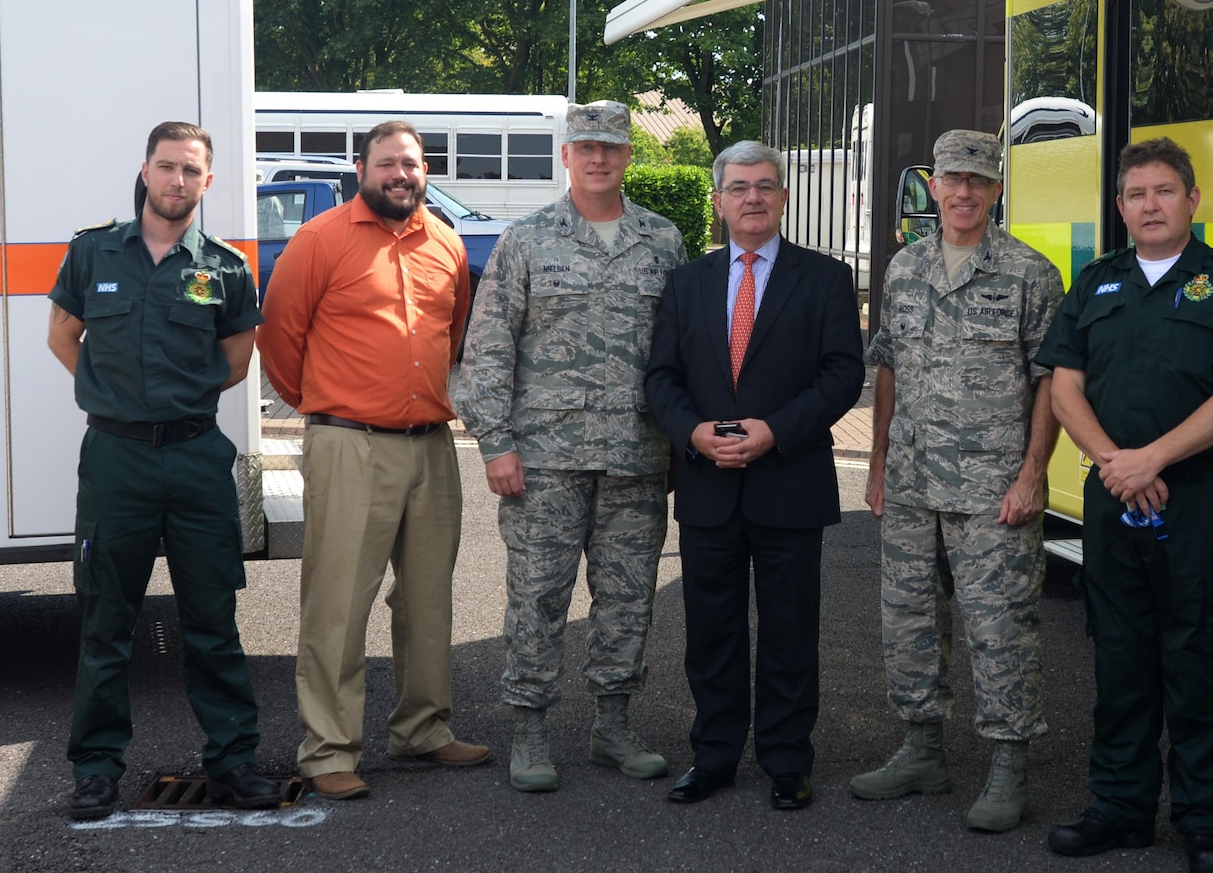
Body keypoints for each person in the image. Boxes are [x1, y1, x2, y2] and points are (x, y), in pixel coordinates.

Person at [1036, 137, 1213, 873]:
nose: (1150, 205)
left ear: (1192, 200)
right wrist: (1118, 462)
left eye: (1164, 192)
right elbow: (1064, 387)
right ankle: (1119, 807)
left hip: (1198, 496)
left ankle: (1205, 819)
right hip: (1114, 496)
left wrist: (1154, 458)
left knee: (1196, 658)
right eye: (1136, 194)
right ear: (1120, 207)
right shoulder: (1096, 282)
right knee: (1119, 656)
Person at [450, 101, 687, 792]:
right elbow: (488, 350)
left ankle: (612, 725)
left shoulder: (662, 240)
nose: (597, 158)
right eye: (585, 146)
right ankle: (529, 729)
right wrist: (495, 442)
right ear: (566, 155)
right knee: (537, 598)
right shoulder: (527, 241)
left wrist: (678, 444)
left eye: (610, 147)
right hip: (543, 459)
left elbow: (681, 351)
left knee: (627, 600)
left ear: (628, 156)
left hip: (636, 460)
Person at [47, 121, 279, 821]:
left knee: (213, 617)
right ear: (145, 171)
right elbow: (63, 335)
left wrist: (177, 402)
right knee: (105, 618)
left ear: (208, 183)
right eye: (168, 167)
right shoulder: (93, 253)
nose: (179, 181)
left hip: (196, 457)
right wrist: (115, 401)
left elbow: (237, 358)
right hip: (116, 458)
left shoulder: (226, 269)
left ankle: (235, 761)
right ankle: (95, 769)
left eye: (192, 171)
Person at [258, 120, 486, 801]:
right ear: (362, 169)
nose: (400, 174)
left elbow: (456, 335)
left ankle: (423, 726)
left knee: (428, 596)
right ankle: (328, 748)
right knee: (338, 602)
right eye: (386, 162)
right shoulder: (320, 239)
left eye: (410, 164)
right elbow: (280, 338)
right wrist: (331, 408)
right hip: (349, 442)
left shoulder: (445, 244)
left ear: (423, 171)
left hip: (432, 445)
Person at [643, 140, 864, 810]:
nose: (753, 199)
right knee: (711, 632)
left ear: (784, 197)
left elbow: (842, 375)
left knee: (790, 631)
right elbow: (661, 377)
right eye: (739, 188)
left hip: (789, 479)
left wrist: (776, 431)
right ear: (718, 201)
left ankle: (787, 760)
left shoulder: (824, 278)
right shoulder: (687, 283)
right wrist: (692, 434)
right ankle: (712, 756)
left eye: (765, 186)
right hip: (709, 484)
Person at [853, 130, 1063, 833]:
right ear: (933, 187)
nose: (964, 192)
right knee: (908, 622)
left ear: (997, 190)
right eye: (953, 179)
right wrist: (878, 464)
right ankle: (922, 750)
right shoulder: (903, 269)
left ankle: (1008, 764)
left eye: (979, 180)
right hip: (913, 478)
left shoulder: (1030, 274)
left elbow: (1049, 384)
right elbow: (887, 368)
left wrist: (1034, 474)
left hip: (993, 486)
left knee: (1002, 628)